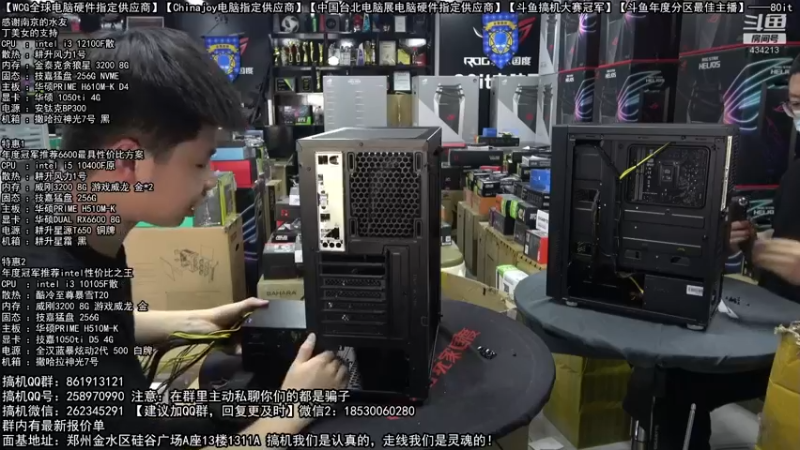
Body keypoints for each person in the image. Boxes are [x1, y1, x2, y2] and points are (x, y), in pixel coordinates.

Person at [5, 28, 346, 449]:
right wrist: (290, 413)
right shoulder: (41, 295)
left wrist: (193, 323)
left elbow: (95, 320)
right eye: (201, 163)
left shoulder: (58, 209)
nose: (211, 181)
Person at [651, 53, 800, 450]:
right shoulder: (794, 174)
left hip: (792, 349)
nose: (797, 114)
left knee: (680, 382)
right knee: (669, 372)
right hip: (771, 327)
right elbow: (782, 247)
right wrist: (748, 241)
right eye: (794, 105)